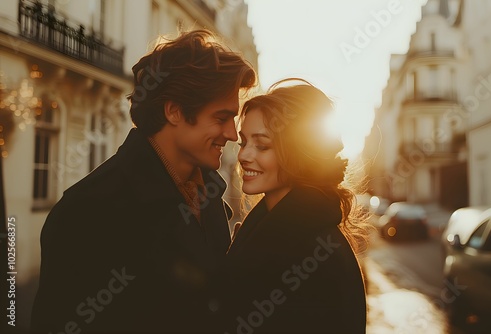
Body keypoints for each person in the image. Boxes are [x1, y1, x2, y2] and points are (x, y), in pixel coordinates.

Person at [30, 30, 256, 333]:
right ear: (174, 111)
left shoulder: (210, 193)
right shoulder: (87, 211)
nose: (231, 133)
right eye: (221, 118)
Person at [218, 79, 367, 333]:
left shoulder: (307, 251)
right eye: (244, 142)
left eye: (262, 145)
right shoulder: (275, 231)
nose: (244, 155)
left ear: (298, 152)